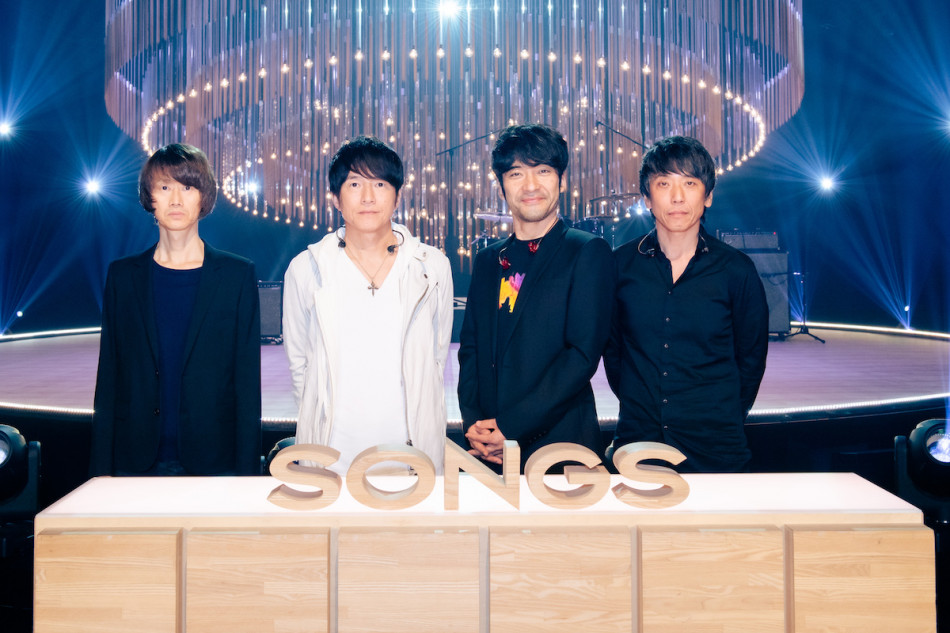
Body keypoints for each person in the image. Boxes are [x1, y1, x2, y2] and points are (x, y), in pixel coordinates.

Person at [282, 136, 453, 475]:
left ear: (397, 196)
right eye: (355, 184)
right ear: (335, 198)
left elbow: (436, 357)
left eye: (380, 184)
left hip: (411, 460)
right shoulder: (307, 269)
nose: (368, 197)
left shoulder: (431, 266)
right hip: (331, 460)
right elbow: (300, 364)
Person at [91, 143, 262, 476]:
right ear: (149, 197)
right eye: (165, 187)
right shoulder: (123, 276)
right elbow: (109, 378)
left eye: (188, 187)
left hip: (214, 462)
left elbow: (247, 385)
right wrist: (99, 472)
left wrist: (247, 478)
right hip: (135, 461)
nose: (176, 200)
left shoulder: (236, 275)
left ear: (204, 197)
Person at [604, 135, 769, 473]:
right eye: (664, 183)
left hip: (715, 447)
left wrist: (721, 415)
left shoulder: (736, 270)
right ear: (647, 198)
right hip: (639, 444)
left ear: (707, 196)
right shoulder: (620, 266)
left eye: (690, 183)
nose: (677, 196)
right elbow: (614, 355)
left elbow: (751, 359)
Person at [457, 123, 616, 470]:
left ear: (561, 180)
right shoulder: (488, 260)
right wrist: (475, 424)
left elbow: (581, 356)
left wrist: (510, 428)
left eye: (543, 171)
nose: (530, 185)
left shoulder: (586, 251)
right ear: (502, 185)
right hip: (489, 450)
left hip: (561, 445)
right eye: (516, 174)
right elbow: (471, 349)